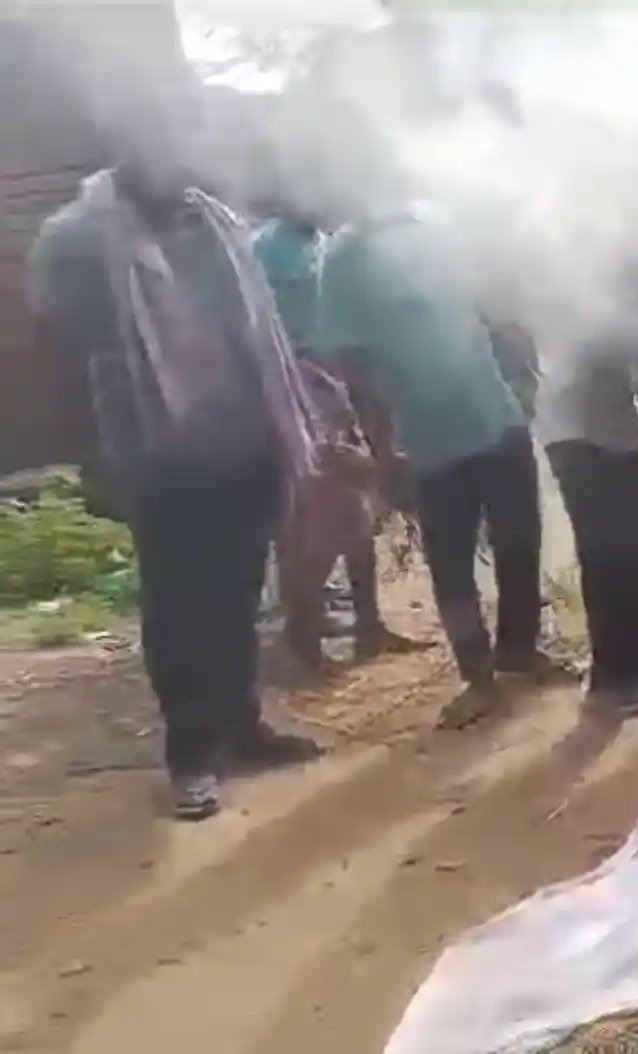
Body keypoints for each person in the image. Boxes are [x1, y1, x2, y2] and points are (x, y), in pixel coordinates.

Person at [29, 93, 325, 820]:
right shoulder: (76, 239)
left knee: (239, 592)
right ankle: (190, 755)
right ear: (127, 148)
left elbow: (260, 327)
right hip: (156, 451)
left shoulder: (215, 221)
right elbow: (54, 353)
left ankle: (242, 725)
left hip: (244, 440)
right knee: (178, 602)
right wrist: (92, 454)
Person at [314, 184, 573, 730]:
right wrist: (384, 446)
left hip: (495, 411)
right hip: (425, 434)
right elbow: (353, 364)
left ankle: (520, 650)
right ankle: (476, 676)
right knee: (451, 561)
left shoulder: (436, 221)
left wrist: (523, 383)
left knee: (519, 539)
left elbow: (492, 308)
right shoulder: (343, 259)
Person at [252, 208, 427, 672]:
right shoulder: (270, 251)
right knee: (328, 514)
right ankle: (303, 639)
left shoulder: (317, 243)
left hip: (332, 386)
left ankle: (367, 626)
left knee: (359, 507)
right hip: (302, 390)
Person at [536, 327, 638, 714]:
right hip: (578, 430)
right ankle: (610, 677)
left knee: (634, 551)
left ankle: (634, 659)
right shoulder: (579, 298)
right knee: (606, 554)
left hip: (615, 428)